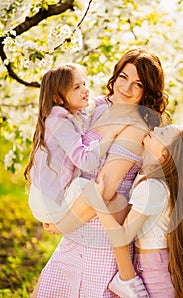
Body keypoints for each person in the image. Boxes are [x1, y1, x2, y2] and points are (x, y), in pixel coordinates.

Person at [24, 48, 169, 298]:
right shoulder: (97, 105)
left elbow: (104, 188)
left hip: (102, 237)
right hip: (77, 228)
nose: (126, 88)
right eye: (123, 77)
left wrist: (62, 223)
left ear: (148, 91)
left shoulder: (137, 127)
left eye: (138, 84)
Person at [82, 124, 183, 298]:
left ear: (164, 155)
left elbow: (123, 235)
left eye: (162, 133)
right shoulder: (149, 180)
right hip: (150, 266)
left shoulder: (153, 188)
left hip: (155, 272)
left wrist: (97, 204)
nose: (156, 128)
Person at [24, 63, 125, 225]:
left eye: (84, 84)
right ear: (57, 98)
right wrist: (109, 135)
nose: (85, 90)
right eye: (77, 87)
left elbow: (92, 105)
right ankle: (116, 229)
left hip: (46, 198)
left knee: (100, 192)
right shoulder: (59, 123)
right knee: (98, 189)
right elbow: (86, 162)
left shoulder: (71, 113)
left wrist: (115, 98)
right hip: (48, 202)